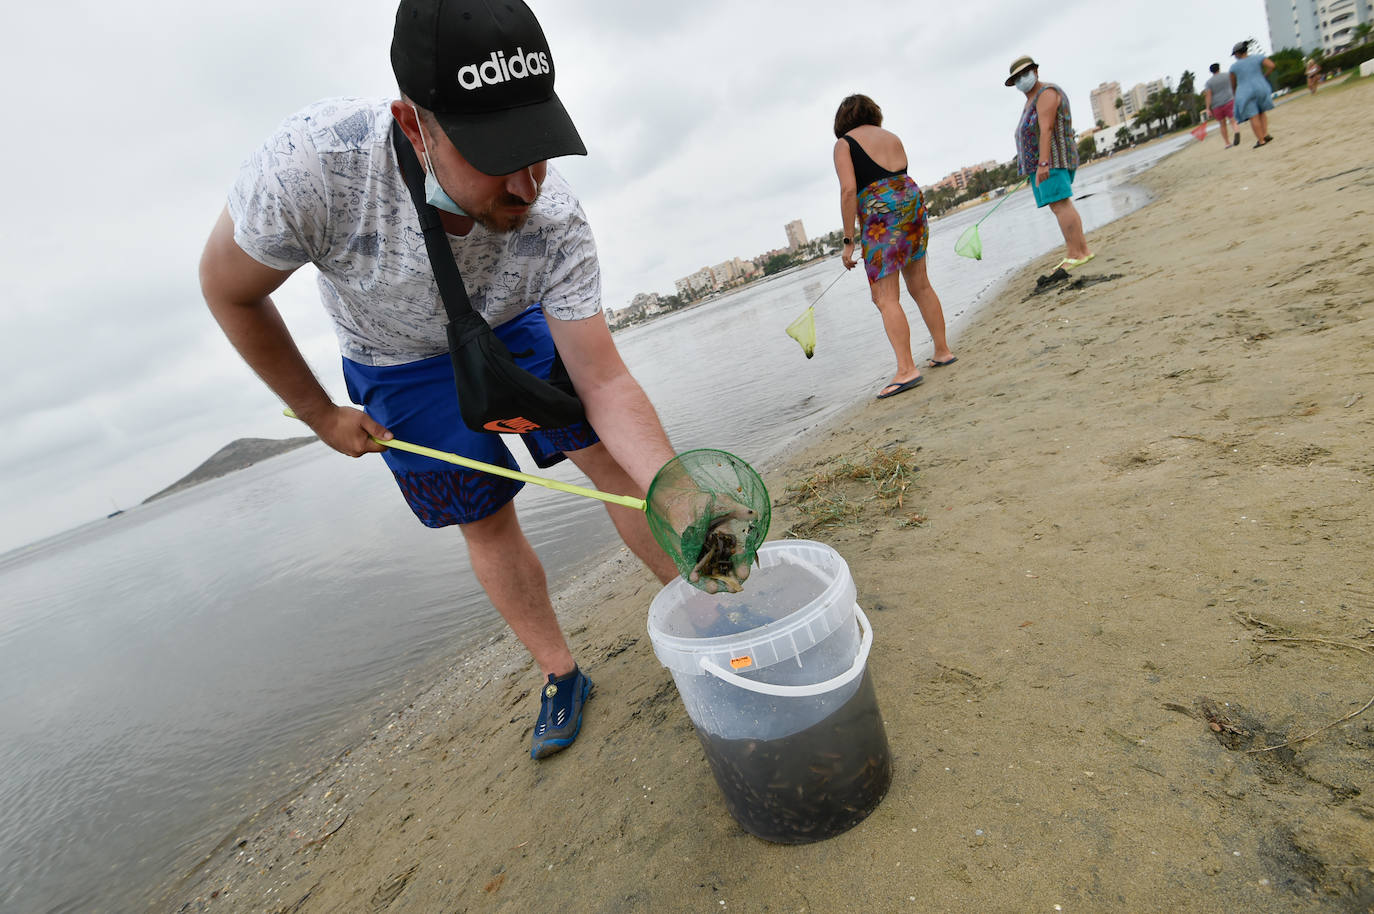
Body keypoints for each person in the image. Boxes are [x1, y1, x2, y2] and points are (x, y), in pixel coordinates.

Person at [199, 0, 748, 761]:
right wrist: (320, 412)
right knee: (484, 514)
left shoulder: (553, 217)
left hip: (515, 319)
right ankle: (563, 672)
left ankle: (708, 613)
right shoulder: (311, 166)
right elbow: (229, 289)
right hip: (395, 359)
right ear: (415, 124)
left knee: (615, 465)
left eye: (540, 147)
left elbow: (607, 384)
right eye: (498, 152)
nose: (527, 184)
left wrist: (685, 500)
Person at [831, 95, 956, 400]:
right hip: (910, 201)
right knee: (921, 285)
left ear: (842, 120)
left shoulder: (844, 144)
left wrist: (849, 242)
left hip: (880, 212)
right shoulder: (892, 137)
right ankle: (942, 351)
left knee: (884, 297)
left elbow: (849, 191)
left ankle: (906, 369)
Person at [1005, 55, 1094, 272]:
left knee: (1061, 203)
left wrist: (1043, 163)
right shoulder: (1031, 99)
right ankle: (1079, 251)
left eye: (1025, 74)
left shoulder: (1046, 94)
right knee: (1058, 205)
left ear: (1036, 71)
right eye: (1017, 78)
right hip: (1042, 163)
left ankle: (1078, 253)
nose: (1021, 80)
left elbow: (1046, 129)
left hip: (1053, 159)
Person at [1229, 41, 1277, 147]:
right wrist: (1264, 76)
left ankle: (1261, 140)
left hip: (1245, 92)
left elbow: (1233, 83)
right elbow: (1272, 66)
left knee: (1253, 116)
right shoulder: (1258, 57)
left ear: (1237, 53)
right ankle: (1265, 134)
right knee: (1262, 112)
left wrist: (1235, 93)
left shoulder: (1234, 67)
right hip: (1261, 87)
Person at [1203, 63, 1239, 147]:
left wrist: (1208, 108)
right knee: (1233, 121)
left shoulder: (1209, 82)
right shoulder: (1227, 75)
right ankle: (1236, 131)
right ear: (1219, 68)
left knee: (1222, 124)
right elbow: (1233, 84)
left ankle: (1227, 143)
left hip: (1217, 105)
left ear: (1211, 71)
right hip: (1229, 100)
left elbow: (1208, 95)